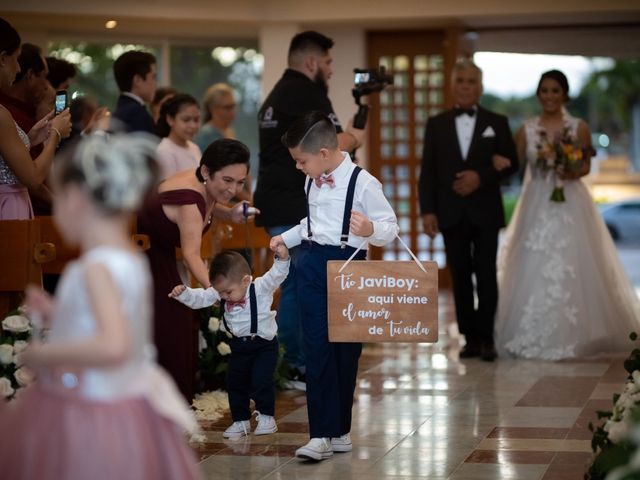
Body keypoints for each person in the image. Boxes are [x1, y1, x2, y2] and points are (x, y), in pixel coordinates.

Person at [0, 133, 202, 480]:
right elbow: (114, 316)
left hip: (91, 409)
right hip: (127, 405)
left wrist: (44, 356)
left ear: (76, 200)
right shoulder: (129, 259)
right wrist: (56, 312)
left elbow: (113, 345)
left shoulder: (95, 267)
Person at [270, 111, 398, 461]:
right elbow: (312, 224)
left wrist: (371, 229)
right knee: (317, 348)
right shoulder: (313, 179)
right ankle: (320, 434)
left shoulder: (364, 183)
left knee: (346, 351)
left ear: (324, 154)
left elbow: (391, 226)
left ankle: (340, 430)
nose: (299, 167)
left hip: (349, 267)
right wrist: (286, 237)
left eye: (301, 161)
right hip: (311, 265)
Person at [495, 69, 640, 360]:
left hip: (571, 200)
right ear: (539, 95)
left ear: (565, 95)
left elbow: (586, 167)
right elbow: (512, 161)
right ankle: (531, 331)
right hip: (536, 201)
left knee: (577, 261)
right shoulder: (527, 129)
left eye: (555, 90)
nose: (549, 96)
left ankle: (581, 334)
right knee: (531, 262)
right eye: (544, 91)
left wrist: (569, 168)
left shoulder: (579, 127)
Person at [255, 30, 365, 385]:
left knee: (293, 281)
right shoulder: (307, 92)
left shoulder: (278, 93)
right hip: (293, 203)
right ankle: (296, 363)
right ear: (312, 62)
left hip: (275, 198)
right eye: (329, 62)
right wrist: (355, 137)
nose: (331, 70)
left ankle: (292, 362)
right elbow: (331, 147)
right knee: (301, 283)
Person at [137, 138, 256, 401]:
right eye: (228, 180)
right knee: (172, 322)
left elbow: (210, 206)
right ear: (206, 172)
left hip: (158, 255)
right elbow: (192, 256)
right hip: (141, 256)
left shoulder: (201, 184)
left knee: (177, 319)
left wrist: (231, 213)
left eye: (240, 182)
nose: (234, 189)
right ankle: (163, 400)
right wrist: (218, 293)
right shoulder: (190, 200)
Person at [418, 59, 519, 362]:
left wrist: (482, 176)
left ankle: (487, 338)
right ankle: (469, 338)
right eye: (460, 80)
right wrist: (427, 211)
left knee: (486, 275)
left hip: (485, 211)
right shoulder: (436, 124)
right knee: (459, 277)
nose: (465, 86)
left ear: (480, 87)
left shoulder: (497, 122)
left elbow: (512, 163)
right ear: (452, 86)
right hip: (450, 212)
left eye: (471, 81)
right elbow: (428, 172)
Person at [169, 248, 290, 439]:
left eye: (228, 292)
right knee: (235, 382)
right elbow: (200, 298)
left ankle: (266, 417)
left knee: (261, 380)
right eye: (220, 292)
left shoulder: (260, 287)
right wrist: (184, 293)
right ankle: (240, 420)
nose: (223, 297)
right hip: (239, 346)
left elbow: (277, 274)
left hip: (264, 346)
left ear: (245, 280)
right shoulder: (221, 293)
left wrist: (282, 258)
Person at [0, 19, 71, 220]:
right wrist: (55, 134)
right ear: (3, 59)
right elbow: (32, 179)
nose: (17, 68)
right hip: (8, 204)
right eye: (16, 59)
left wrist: (30, 138)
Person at [155, 93, 202, 180]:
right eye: (186, 120)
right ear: (170, 119)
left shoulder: (194, 148)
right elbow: (168, 190)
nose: (193, 125)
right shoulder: (165, 151)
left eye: (196, 120)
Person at [111, 50, 156, 134]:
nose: (155, 84)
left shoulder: (121, 110)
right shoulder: (137, 115)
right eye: (153, 77)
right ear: (138, 80)